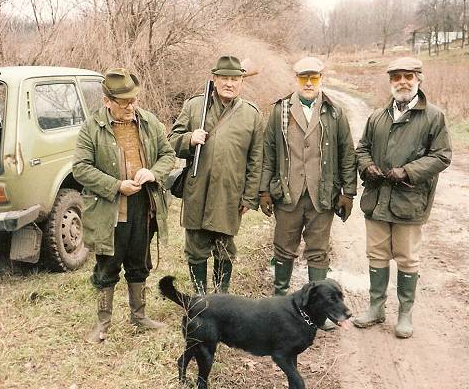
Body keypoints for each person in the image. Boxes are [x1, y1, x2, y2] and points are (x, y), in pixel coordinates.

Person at [73, 68, 175, 343]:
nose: (131, 106)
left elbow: (168, 154)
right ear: (107, 101)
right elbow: (80, 168)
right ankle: (103, 324)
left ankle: (139, 316)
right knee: (107, 266)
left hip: (144, 206)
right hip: (110, 210)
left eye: (134, 100)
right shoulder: (92, 128)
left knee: (139, 261)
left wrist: (153, 173)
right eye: (124, 102)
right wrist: (116, 185)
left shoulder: (148, 122)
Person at [353, 57, 452, 338]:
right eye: (396, 77)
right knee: (376, 254)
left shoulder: (434, 116)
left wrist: (408, 171)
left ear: (419, 79)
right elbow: (362, 148)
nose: (402, 82)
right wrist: (366, 165)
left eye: (408, 76)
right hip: (376, 200)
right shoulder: (377, 116)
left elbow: (442, 156)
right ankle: (375, 308)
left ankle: (405, 314)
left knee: (407, 258)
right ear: (390, 82)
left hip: (409, 201)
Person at [259, 57, 356, 331]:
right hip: (287, 196)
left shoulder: (335, 113)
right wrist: (264, 190)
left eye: (314, 78)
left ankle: (320, 313)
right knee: (283, 249)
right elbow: (268, 153)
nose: (309, 83)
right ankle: (279, 305)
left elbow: (347, 155)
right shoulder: (280, 111)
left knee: (318, 252)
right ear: (296, 79)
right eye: (304, 78)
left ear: (322, 78)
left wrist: (348, 192)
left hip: (321, 196)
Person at [168, 55, 263, 294]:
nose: (229, 83)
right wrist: (189, 139)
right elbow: (170, 142)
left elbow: (257, 159)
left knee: (224, 246)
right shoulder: (194, 106)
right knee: (196, 246)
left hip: (229, 192)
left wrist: (249, 197)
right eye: (224, 78)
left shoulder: (252, 114)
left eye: (234, 79)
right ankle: (200, 299)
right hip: (197, 188)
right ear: (215, 79)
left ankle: (221, 299)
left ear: (241, 81)